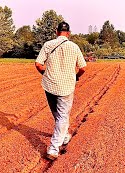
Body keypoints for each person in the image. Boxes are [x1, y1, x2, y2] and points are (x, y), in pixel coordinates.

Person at [35, 22, 87, 160]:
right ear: (68, 33)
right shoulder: (74, 47)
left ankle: (64, 137)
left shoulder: (48, 45)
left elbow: (38, 64)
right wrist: (76, 77)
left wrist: (46, 74)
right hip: (66, 86)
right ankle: (53, 149)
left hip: (50, 85)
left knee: (57, 114)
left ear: (56, 31)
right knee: (62, 116)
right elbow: (82, 68)